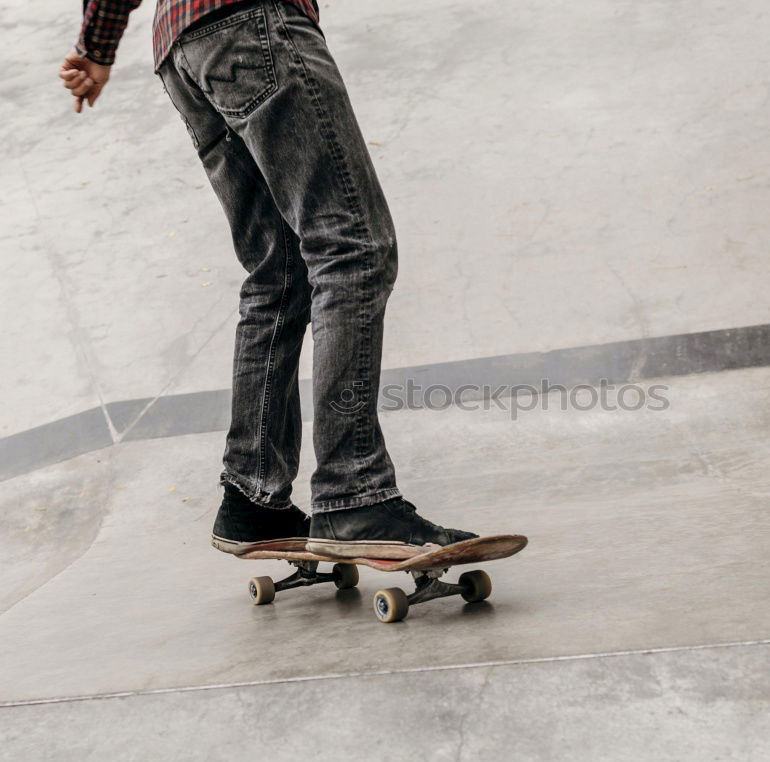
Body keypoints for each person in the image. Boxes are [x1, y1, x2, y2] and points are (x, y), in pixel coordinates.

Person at [60, 0, 479, 558]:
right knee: (351, 248)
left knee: (278, 275)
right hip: (254, 25)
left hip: (184, 48)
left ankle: (253, 500)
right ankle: (354, 495)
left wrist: (97, 43)